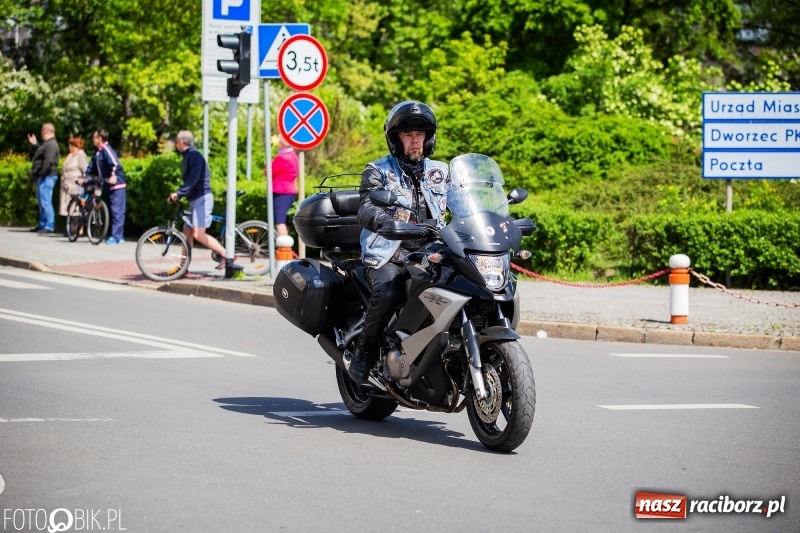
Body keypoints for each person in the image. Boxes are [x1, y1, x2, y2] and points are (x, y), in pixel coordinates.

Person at [348, 101, 450, 383]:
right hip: (390, 250)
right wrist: (386, 223)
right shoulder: (378, 170)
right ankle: (366, 350)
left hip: (433, 248)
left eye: (420, 133)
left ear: (429, 138)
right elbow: (366, 207)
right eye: (408, 134)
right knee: (390, 291)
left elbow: (465, 204)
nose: (415, 139)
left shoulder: (441, 171)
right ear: (396, 139)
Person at [168, 130, 238, 273]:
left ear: (181, 141)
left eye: (176, 141)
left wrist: (179, 193)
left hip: (202, 198)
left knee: (198, 234)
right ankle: (183, 267)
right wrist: (181, 193)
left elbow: (193, 179)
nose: (176, 144)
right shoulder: (189, 156)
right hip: (195, 199)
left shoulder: (194, 156)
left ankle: (227, 256)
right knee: (187, 231)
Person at [84, 129, 126, 244]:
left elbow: (116, 164)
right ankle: (118, 235)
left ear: (100, 139)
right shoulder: (98, 152)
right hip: (107, 185)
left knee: (117, 211)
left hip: (116, 185)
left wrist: (113, 177)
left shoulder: (107, 150)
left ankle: (116, 236)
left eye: (94, 137)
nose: (93, 139)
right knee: (112, 211)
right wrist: (84, 177)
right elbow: (91, 167)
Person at [27, 123, 61, 233]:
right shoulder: (47, 144)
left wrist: (41, 173)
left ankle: (49, 225)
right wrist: (35, 143)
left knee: (45, 201)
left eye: (42, 131)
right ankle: (42, 224)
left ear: (45, 131)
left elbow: (48, 161)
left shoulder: (51, 144)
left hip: (47, 176)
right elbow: (41, 152)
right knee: (42, 201)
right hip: (44, 176)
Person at [271, 135, 299, 236]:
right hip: (290, 190)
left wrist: (269, 164)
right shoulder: (293, 155)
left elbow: (270, 172)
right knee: (283, 221)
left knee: (280, 222)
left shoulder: (283, 157)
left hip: (281, 191)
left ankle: (284, 249)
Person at [58, 136, 88, 220]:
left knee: (76, 209)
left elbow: (85, 169)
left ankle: (78, 229)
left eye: (71, 145)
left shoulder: (80, 155)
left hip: (75, 185)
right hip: (67, 186)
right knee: (69, 209)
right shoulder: (70, 155)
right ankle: (71, 229)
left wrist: (82, 179)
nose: (70, 147)